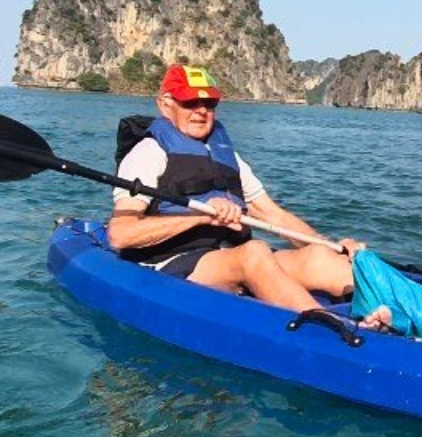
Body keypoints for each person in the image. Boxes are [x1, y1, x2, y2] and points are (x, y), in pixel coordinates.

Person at [109, 65, 382, 321]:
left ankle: (392, 314)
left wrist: (333, 247)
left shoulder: (227, 156)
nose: (201, 111)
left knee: (318, 258)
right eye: (190, 102)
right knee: (254, 252)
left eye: (209, 104)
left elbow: (273, 215)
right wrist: (200, 216)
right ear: (165, 104)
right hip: (169, 263)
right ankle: (336, 331)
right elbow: (121, 234)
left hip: (227, 256)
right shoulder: (147, 154)